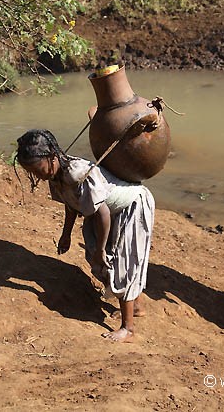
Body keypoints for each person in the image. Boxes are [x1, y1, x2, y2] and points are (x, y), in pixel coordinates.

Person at [15, 129, 155, 342]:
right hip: (104, 209)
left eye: (37, 169)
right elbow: (71, 203)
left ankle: (128, 329)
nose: (37, 175)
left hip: (131, 206)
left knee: (120, 263)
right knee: (96, 258)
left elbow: (103, 213)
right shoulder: (55, 174)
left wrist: (101, 250)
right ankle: (134, 305)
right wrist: (66, 235)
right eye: (32, 172)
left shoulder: (76, 173)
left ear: (52, 157)